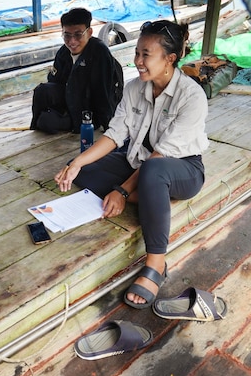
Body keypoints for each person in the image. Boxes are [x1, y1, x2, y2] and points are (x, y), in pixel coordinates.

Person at [54, 20, 208, 309]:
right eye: (137, 53)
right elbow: (114, 135)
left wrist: (122, 192)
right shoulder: (134, 87)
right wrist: (76, 162)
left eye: (145, 55)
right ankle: (151, 198)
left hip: (181, 170)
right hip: (139, 162)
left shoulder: (192, 97)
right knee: (84, 168)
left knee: (153, 170)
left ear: (169, 59)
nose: (137, 61)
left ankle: (156, 264)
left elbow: (161, 156)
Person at [30, 7, 121, 133]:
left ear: (89, 33)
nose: (72, 42)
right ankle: (40, 123)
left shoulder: (99, 52)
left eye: (78, 35)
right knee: (42, 90)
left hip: (89, 108)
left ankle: (73, 122)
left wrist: (109, 127)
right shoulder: (63, 52)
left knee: (47, 122)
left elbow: (103, 92)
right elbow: (54, 81)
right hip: (71, 98)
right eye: (67, 35)